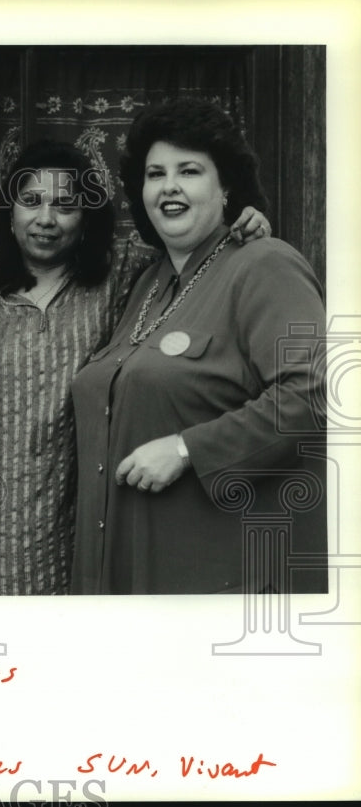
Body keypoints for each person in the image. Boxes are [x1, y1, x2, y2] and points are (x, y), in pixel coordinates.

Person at [0, 139, 271, 595]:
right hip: (2, 532)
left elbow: (197, 255)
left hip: (96, 520)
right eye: (31, 203)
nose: (46, 219)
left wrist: (244, 223)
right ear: (9, 216)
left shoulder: (125, 277)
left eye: (65, 206)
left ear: (86, 219)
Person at [70, 98, 326, 594]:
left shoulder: (264, 264)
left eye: (189, 171)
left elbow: (312, 399)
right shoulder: (148, 283)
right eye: (155, 173)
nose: (169, 186)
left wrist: (188, 449)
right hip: (123, 570)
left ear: (225, 186)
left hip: (211, 577)